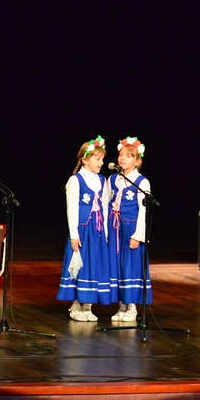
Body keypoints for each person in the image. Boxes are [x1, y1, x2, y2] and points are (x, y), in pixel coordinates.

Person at [57, 135, 114, 321]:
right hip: (82, 230)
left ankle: (88, 305)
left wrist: (105, 233)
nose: (101, 162)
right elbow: (72, 208)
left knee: (93, 264)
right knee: (79, 265)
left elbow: (104, 207)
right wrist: (74, 234)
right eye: (97, 159)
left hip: (97, 231)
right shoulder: (76, 180)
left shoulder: (102, 180)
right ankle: (76, 304)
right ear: (84, 160)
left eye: (102, 159)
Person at [106, 137, 151, 322]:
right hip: (115, 227)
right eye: (121, 154)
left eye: (129, 156)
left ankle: (132, 306)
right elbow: (106, 203)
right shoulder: (113, 179)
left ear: (137, 161)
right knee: (117, 265)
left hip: (131, 227)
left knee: (130, 265)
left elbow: (143, 210)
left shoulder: (141, 182)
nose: (122, 158)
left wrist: (138, 235)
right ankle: (121, 305)